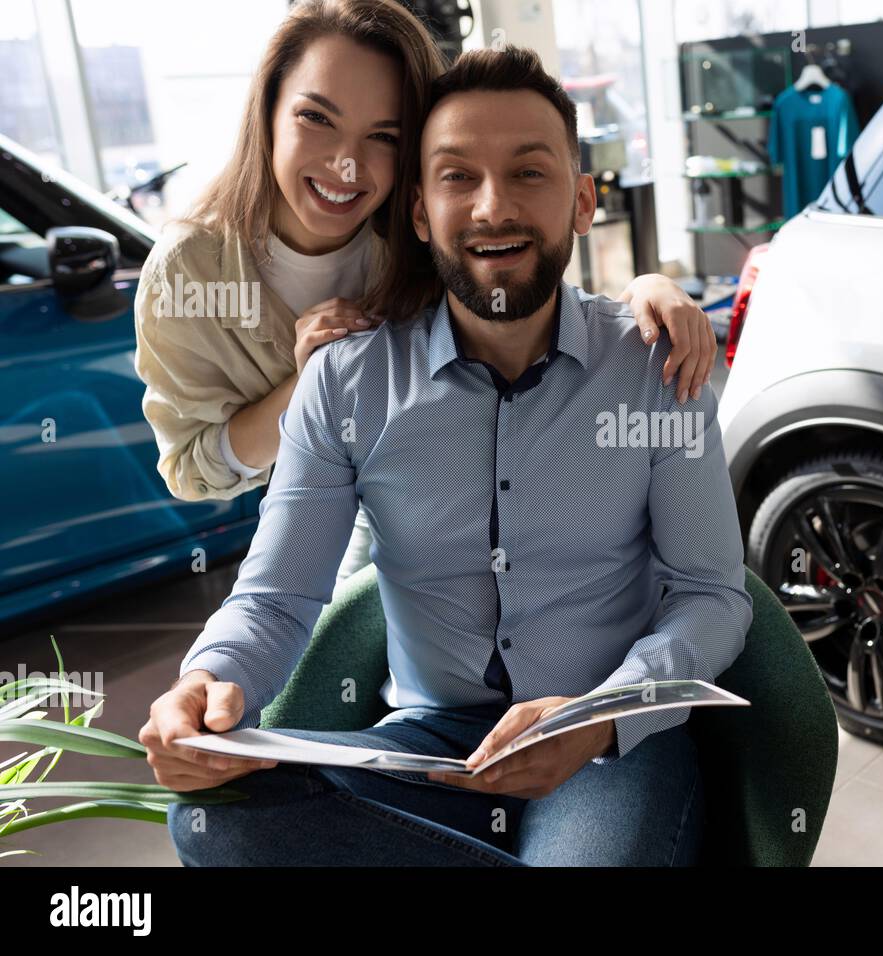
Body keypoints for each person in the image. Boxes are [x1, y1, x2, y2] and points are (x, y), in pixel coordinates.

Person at [138, 43, 752, 867]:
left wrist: (602, 714)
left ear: (581, 201)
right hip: (427, 745)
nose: (493, 206)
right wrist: (206, 678)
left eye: (528, 173)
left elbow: (712, 595)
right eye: (459, 176)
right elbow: (279, 596)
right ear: (421, 212)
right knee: (220, 819)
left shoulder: (656, 368)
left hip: (605, 742)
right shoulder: (345, 385)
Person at [133, 0, 717, 588]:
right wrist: (308, 392)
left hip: (437, 505)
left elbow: (520, 283)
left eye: (383, 136)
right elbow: (191, 468)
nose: (346, 164)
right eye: (316, 118)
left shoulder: (412, 231)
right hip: (326, 510)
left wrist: (643, 289)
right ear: (267, 113)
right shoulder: (188, 272)